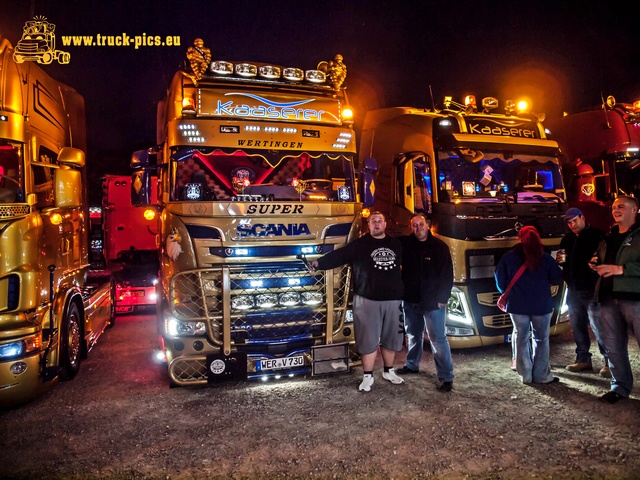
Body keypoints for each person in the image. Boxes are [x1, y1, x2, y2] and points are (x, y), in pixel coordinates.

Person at [311, 212, 405, 392]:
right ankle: (368, 376)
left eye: (380, 221)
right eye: (373, 221)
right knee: (367, 339)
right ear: (368, 225)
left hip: (393, 299)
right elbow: (339, 255)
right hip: (367, 298)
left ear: (385, 224)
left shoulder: (397, 244)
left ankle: (388, 371)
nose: (376, 224)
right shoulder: (360, 245)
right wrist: (318, 263)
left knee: (391, 338)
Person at [495, 226, 564, 384]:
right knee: (541, 339)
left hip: (517, 306)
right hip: (541, 306)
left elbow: (500, 281)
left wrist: (509, 292)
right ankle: (542, 376)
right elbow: (556, 278)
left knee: (521, 338)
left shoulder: (508, 257)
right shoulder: (545, 258)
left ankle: (525, 375)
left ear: (519, 238)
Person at [590, 195, 640, 404]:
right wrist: (595, 262)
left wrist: (620, 269)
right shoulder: (609, 237)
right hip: (608, 299)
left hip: (635, 298)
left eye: (621, 206)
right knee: (613, 347)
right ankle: (619, 387)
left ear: (635, 209)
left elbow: (620, 266)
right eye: (613, 207)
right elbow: (602, 259)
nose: (615, 210)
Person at [397, 213, 455, 392]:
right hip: (411, 300)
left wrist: (442, 299)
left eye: (421, 224)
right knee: (413, 334)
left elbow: (447, 274)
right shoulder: (406, 244)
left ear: (427, 225)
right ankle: (412, 364)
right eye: (414, 225)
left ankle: (446, 377)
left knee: (438, 339)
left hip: (433, 302)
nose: (418, 228)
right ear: (410, 227)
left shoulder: (439, 247)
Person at [558, 207, 609, 376]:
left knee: (598, 327)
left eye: (574, 221)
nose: (572, 225)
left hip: (592, 289)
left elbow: (606, 256)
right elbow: (563, 260)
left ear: (582, 217)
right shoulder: (567, 239)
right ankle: (583, 359)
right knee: (577, 326)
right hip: (573, 289)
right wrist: (561, 263)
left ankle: (609, 362)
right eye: (569, 222)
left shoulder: (596, 235)